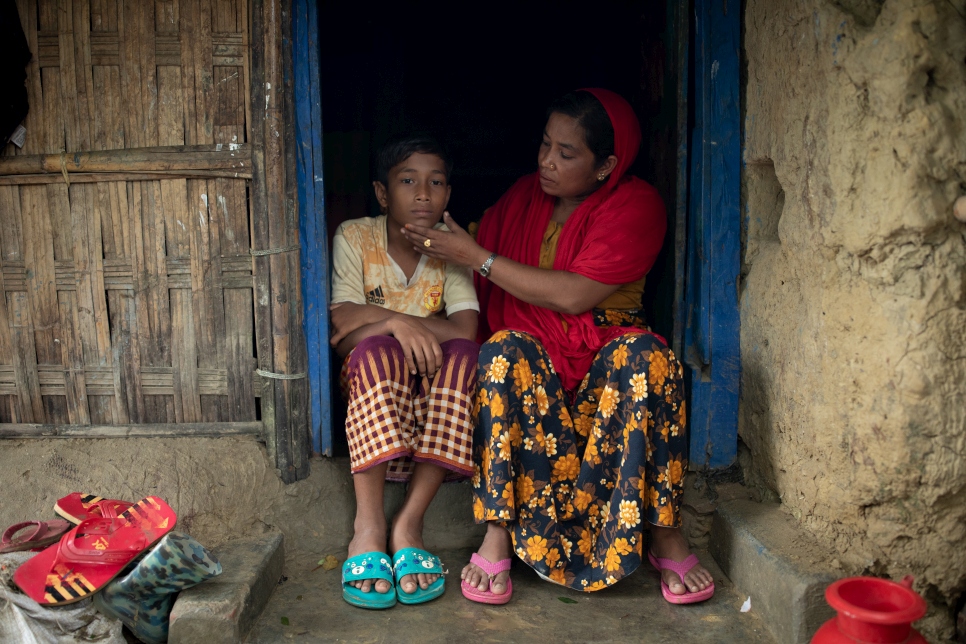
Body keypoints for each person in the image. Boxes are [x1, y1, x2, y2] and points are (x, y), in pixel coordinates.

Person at [399, 89, 715, 604]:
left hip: (605, 378)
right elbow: (462, 247)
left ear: (606, 165)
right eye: (545, 145)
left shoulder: (636, 205)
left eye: (567, 153)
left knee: (649, 359)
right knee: (501, 351)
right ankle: (497, 529)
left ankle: (664, 531)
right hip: (538, 373)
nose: (547, 161)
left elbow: (574, 295)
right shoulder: (524, 198)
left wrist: (477, 256)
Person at [329, 134, 480, 609]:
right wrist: (396, 323)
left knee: (466, 357)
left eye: (435, 183)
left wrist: (399, 325)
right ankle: (368, 527)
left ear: (448, 194)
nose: (422, 194)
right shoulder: (355, 236)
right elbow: (342, 330)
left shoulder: (451, 250)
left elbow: (466, 332)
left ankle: (409, 523)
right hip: (375, 388)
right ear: (381, 193)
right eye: (408, 181)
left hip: (432, 396)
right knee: (376, 349)